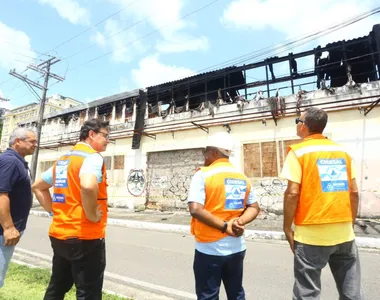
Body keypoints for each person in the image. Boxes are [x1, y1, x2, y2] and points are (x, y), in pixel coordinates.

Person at [281, 107, 362, 300]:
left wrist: (286, 228)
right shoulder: (342, 151)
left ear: (304, 127)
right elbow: (354, 192)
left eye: (297, 121)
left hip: (311, 234)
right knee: (351, 291)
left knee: (307, 292)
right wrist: (349, 223)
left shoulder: (298, 152)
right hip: (344, 232)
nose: (297, 124)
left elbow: (292, 193)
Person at [32, 118, 110, 300]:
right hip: (85, 237)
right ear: (92, 134)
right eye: (105, 136)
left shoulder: (64, 160)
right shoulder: (92, 157)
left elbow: (38, 186)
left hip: (59, 234)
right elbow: (88, 186)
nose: (108, 140)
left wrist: (54, 212)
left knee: (58, 285)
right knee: (88, 292)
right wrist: (91, 216)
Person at [188, 132, 260, 300]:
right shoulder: (242, 177)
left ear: (213, 152)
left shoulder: (203, 175)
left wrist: (224, 226)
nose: (204, 157)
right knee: (236, 293)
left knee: (208, 295)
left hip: (209, 249)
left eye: (205, 152)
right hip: (237, 248)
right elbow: (254, 207)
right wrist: (239, 222)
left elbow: (196, 209)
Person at [0, 127, 38, 288]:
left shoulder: (18, 161)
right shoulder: (10, 161)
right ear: (17, 141)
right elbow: (2, 194)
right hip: (3, 232)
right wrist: (8, 227)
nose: (36, 145)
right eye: (32, 141)